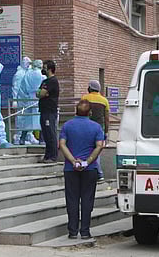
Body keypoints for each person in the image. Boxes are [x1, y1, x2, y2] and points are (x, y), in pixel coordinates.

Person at [59, 99, 105, 239]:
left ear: (76, 111)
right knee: (87, 199)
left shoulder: (67, 126)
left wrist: (73, 160)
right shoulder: (96, 127)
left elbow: (62, 144)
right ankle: (85, 231)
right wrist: (88, 161)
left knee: (72, 199)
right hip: (90, 169)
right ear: (90, 112)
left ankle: (72, 231)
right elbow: (99, 145)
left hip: (70, 168)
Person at [81, 80, 110, 181]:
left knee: (86, 150)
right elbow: (106, 118)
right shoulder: (104, 100)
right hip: (99, 129)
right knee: (96, 151)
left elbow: (81, 113)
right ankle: (97, 173)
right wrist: (106, 132)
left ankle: (96, 172)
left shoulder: (85, 98)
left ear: (90, 88)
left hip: (85, 128)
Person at [36, 60, 59, 162]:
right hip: (43, 110)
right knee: (45, 134)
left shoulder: (52, 81)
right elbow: (38, 93)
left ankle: (53, 156)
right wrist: (41, 93)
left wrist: (42, 93)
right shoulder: (44, 81)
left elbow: (41, 94)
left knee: (50, 133)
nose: (43, 70)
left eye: (44, 68)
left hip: (50, 111)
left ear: (49, 69)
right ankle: (47, 155)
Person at [18, 59, 44, 145]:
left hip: (29, 99)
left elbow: (22, 87)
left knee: (27, 120)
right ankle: (41, 139)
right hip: (39, 98)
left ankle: (22, 138)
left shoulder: (27, 74)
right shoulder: (41, 75)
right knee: (40, 119)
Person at [11, 56, 31, 144]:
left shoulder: (28, 72)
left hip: (27, 100)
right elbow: (16, 87)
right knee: (21, 118)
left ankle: (28, 136)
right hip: (21, 100)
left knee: (28, 118)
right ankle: (18, 137)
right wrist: (15, 100)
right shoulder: (19, 74)